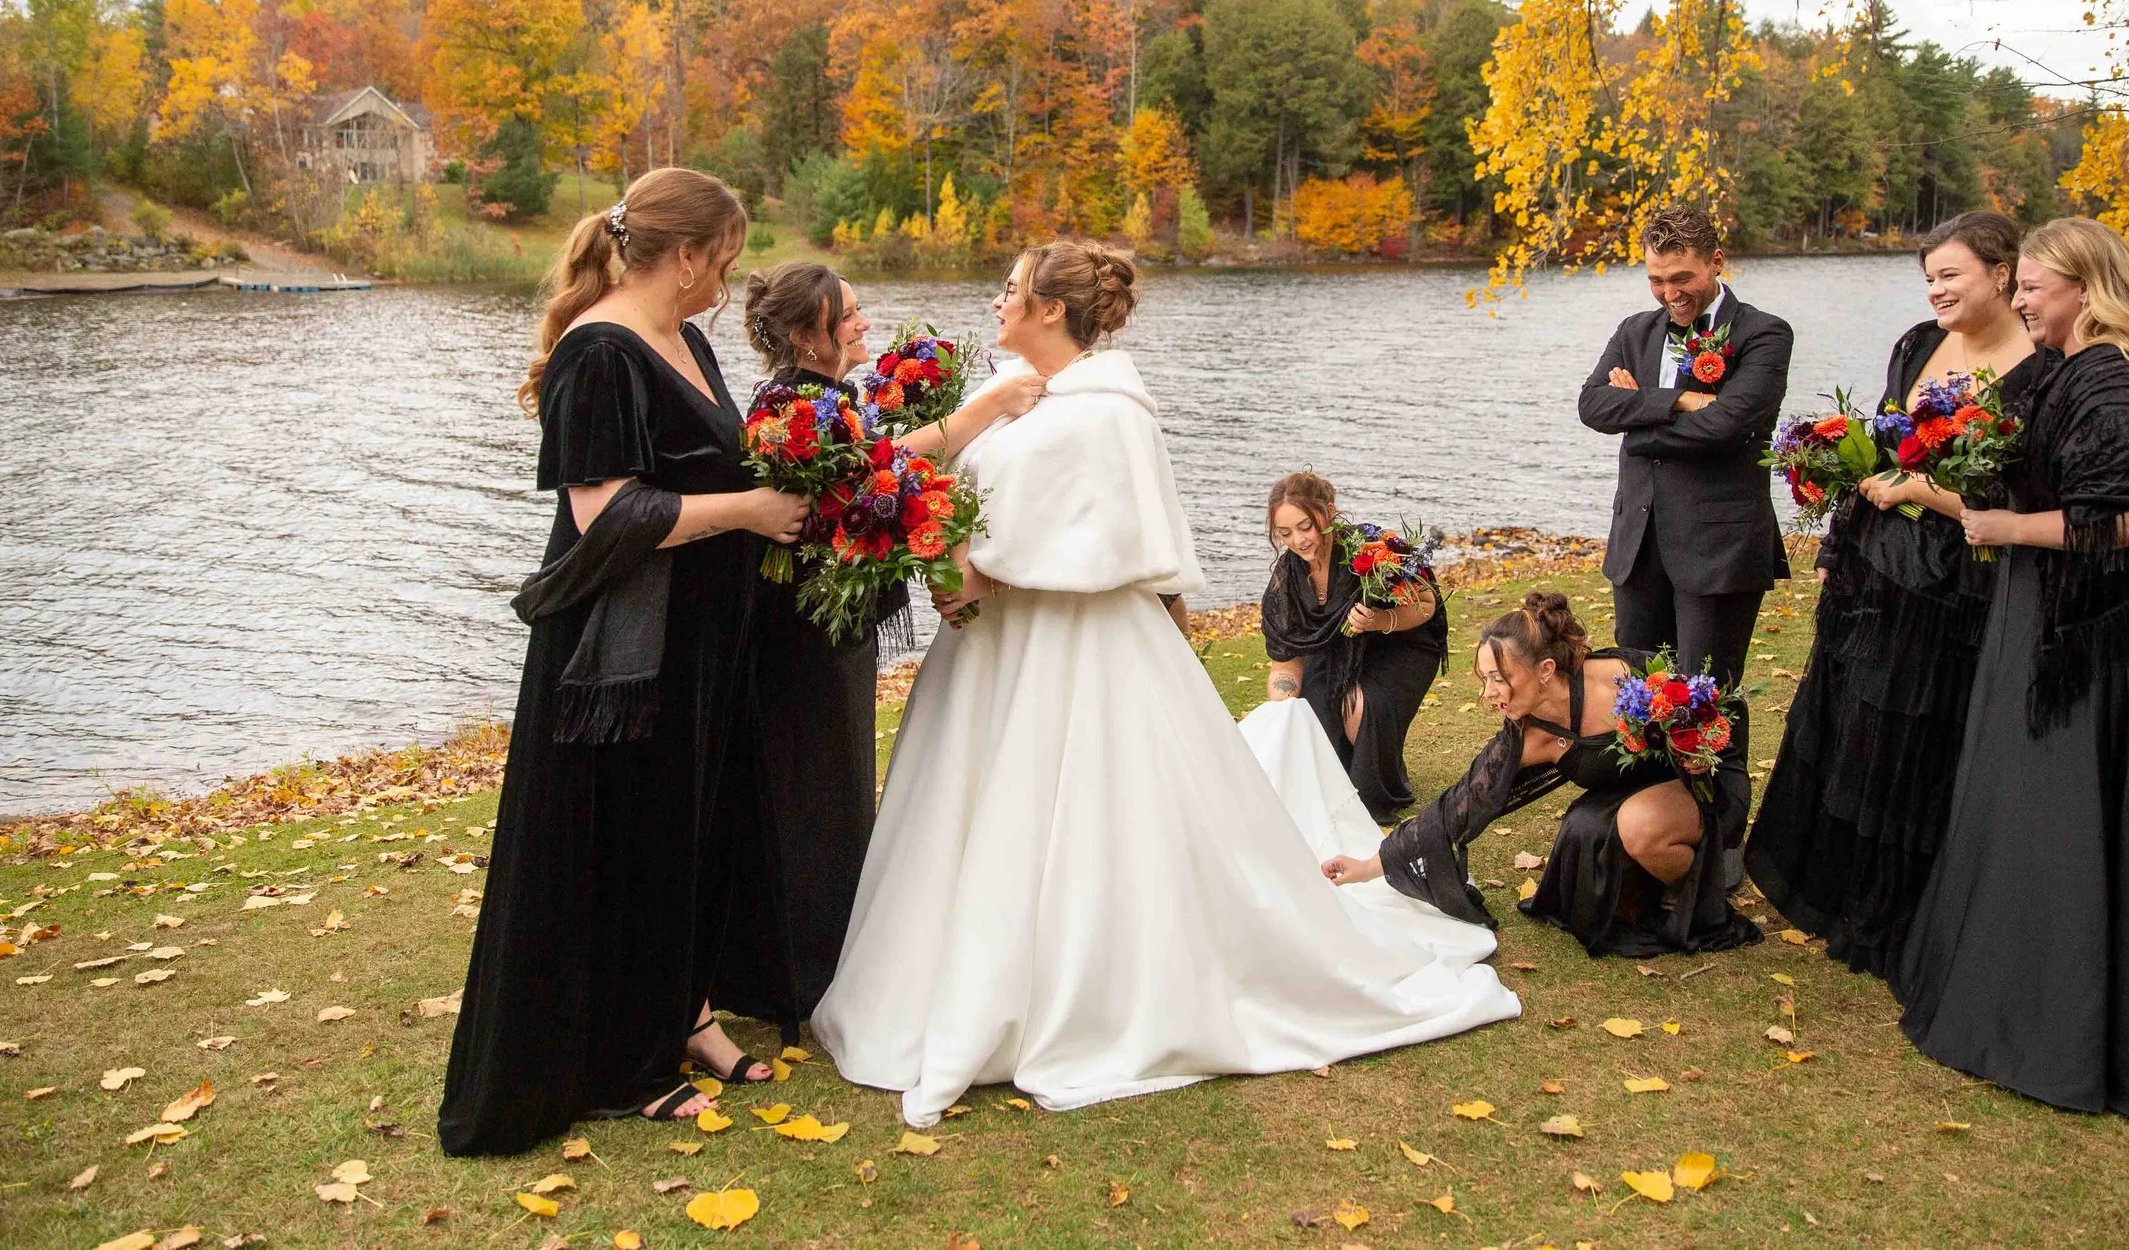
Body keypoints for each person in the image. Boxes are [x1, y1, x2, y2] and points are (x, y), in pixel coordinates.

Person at [812, 240, 1518, 1126]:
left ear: (1052, 311)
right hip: (992, 655)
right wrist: (948, 549)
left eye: (1011, 291)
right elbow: (960, 506)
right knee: (975, 813)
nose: (997, 303)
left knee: (1092, 820)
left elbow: (1085, 545)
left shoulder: (1104, 412)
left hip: (1073, 648)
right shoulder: (1017, 397)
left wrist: (968, 560)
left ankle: (1093, 993)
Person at [439, 168, 809, 1157]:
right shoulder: (595, 353)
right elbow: (605, 515)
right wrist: (750, 510)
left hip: (702, 634)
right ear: (685, 254)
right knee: (630, 840)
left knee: (690, 830)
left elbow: (708, 464)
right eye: (723, 256)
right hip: (622, 651)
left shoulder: (682, 337)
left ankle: (681, 1013)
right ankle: (615, 1063)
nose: (728, 277)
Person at [1890, 217, 2129, 1123]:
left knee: (2091, 813)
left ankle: (2093, 1022)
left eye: (2034, 288)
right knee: (2038, 807)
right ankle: (2031, 986)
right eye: (2017, 287)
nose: (2019, 300)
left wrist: (2008, 528)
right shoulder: (2065, 367)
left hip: (2113, 622)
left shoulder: (2120, 382)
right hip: (2054, 604)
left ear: (2087, 291)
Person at [706, 263, 1043, 1040]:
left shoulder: (832, 398)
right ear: (803, 333)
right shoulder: (787, 403)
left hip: (831, 632)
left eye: (859, 311)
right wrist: (989, 402)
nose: (862, 324)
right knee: (808, 799)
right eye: (846, 314)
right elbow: (874, 473)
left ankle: (825, 966)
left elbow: (879, 471)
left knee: (840, 791)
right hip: (796, 638)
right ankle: (800, 979)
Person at [1746, 212, 2061, 977]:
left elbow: (2027, 488)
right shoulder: (1917, 346)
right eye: (1928, 277)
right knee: (1854, 718)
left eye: (1950, 274)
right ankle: (1839, 889)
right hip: (1876, 564)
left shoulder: (2044, 367)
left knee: (1922, 738)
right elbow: (1882, 449)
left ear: (2001, 271)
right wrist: (1837, 542)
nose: (1937, 289)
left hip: (1961, 579)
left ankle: (1902, 911)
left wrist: (1930, 490)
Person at [1323, 593, 1761, 958]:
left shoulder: (1622, 682)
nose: (1488, 693)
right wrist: (1369, 866)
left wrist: (1699, 750)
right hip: (1635, 793)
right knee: (1583, 828)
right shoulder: (1530, 736)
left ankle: (1697, 889)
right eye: (1485, 679)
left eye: (1499, 678)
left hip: (1706, 782)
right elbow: (1459, 805)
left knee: (1636, 825)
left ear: (1545, 671)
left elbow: (1717, 705)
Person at [1576, 206, 1789, 888]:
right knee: (1641, 686)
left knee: (1710, 694)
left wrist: (1642, 413)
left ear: (1716, 260)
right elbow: (1591, 406)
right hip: (1639, 543)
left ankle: (1722, 841)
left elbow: (1732, 425)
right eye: (1658, 278)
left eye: (1684, 277)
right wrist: (1681, 402)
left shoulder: (1762, 334)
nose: (1671, 292)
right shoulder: (1634, 331)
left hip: (1720, 546)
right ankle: (1646, 817)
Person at [1258, 471, 1447, 821]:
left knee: (1358, 706)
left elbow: (1425, 603)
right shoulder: (1286, 580)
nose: (1298, 541)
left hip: (1398, 643)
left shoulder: (1372, 548)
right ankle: (1343, 778)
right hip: (1336, 650)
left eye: (1305, 527)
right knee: (1311, 715)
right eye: (1284, 534)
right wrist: (1284, 708)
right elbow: (1286, 663)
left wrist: (1378, 620)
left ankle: (1378, 787)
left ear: (1328, 512)